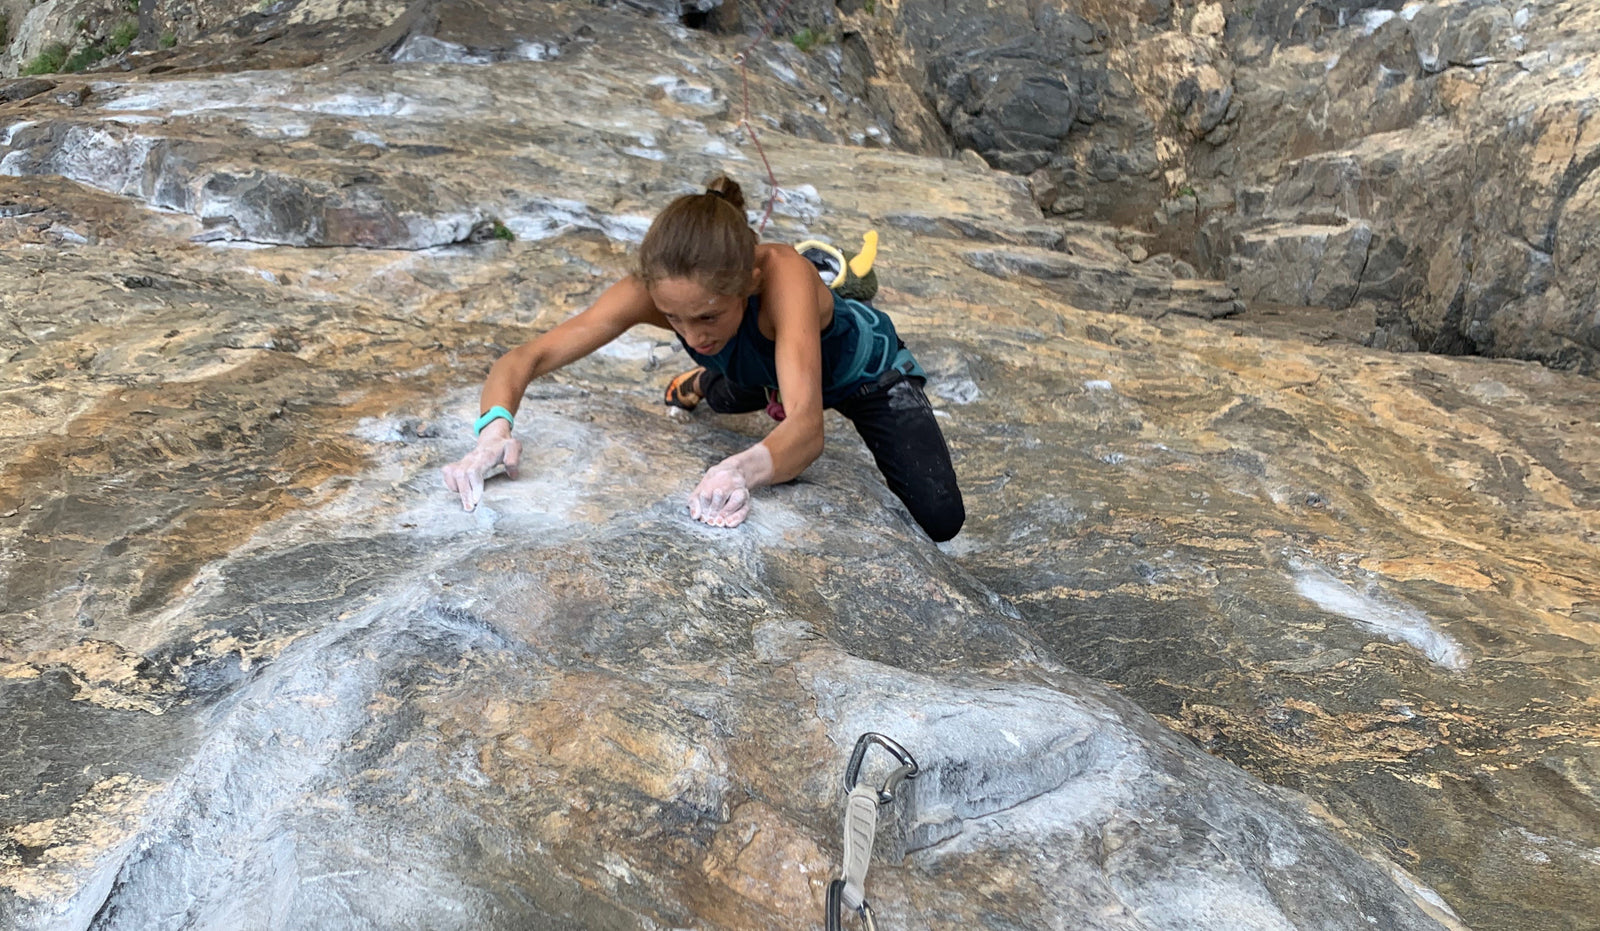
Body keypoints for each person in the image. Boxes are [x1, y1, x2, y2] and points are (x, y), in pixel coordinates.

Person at [440, 176, 965, 542]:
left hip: (863, 375)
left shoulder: (782, 276)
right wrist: (492, 433)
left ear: (750, 282)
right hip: (758, 374)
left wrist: (740, 469)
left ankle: (728, 378)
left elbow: (806, 432)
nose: (692, 331)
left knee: (940, 518)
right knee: (730, 373)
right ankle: (708, 383)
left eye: (708, 316)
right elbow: (525, 357)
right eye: (674, 319)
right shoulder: (654, 291)